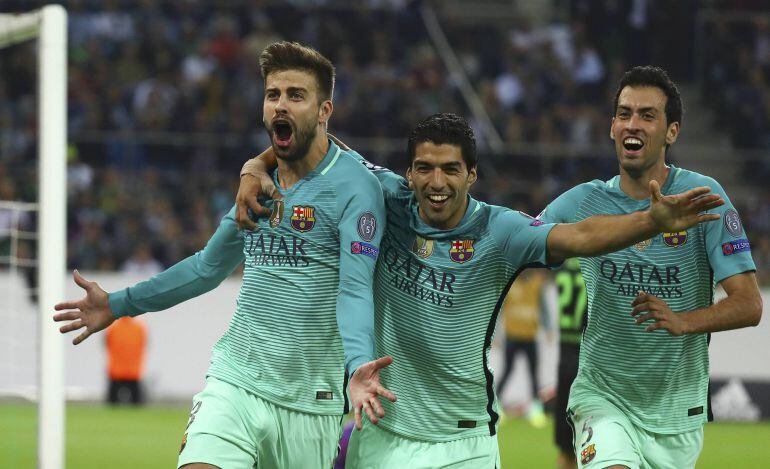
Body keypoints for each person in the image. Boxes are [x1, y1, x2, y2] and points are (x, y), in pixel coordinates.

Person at [237, 112, 724, 467]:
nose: (436, 181)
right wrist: (254, 167)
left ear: (472, 175)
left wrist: (647, 222)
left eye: (451, 169)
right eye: (424, 168)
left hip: (463, 442)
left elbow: (577, 236)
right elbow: (316, 142)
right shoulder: (385, 196)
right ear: (408, 173)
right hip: (383, 435)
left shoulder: (501, 231)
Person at [54, 42, 395, 469]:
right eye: (273, 95)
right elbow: (206, 268)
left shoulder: (356, 188)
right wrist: (119, 304)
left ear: (324, 110)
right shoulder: (258, 183)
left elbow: (355, 288)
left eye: (296, 95)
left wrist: (360, 363)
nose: (281, 105)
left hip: (311, 400)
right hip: (236, 380)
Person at [537, 66, 763, 468]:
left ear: (671, 132)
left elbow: (749, 305)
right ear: (611, 127)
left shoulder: (702, 199)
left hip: (677, 412)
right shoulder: (581, 203)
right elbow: (516, 244)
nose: (632, 124)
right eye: (624, 114)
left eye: (646, 115)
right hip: (601, 396)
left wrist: (684, 321)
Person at [496, 268, 550, 428]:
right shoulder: (509, 285)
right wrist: (496, 335)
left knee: (533, 373)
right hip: (512, 335)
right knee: (507, 370)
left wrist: (548, 328)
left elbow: (543, 307)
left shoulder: (536, 284)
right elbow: (498, 310)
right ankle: (496, 405)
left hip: (530, 336)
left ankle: (536, 410)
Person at [553, 258, 588, 469]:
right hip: (588, 352)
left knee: (565, 446)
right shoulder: (594, 261)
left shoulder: (563, 266)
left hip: (565, 351)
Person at [105, 316, 147, 405]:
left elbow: (106, 344)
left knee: (112, 405)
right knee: (137, 405)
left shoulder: (113, 327)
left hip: (116, 371)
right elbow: (143, 344)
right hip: (133, 371)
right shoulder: (139, 328)